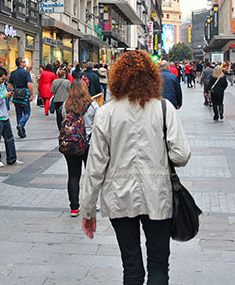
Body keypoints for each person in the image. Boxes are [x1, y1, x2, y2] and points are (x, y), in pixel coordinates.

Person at [79, 50, 191, 284]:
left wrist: (88, 209)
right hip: (157, 193)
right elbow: (181, 155)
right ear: (151, 76)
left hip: (119, 196)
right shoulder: (164, 108)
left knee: (131, 267)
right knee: (159, 265)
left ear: (116, 77)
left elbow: (95, 166)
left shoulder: (106, 113)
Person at [61, 80, 99, 217]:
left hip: (70, 144)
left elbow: (62, 123)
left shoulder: (66, 105)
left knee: (73, 175)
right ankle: (91, 203)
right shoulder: (92, 105)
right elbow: (98, 125)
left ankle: (74, 207)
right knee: (90, 175)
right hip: (88, 144)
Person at [8, 57, 34, 139]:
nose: (25, 63)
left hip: (16, 95)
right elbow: (29, 84)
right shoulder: (26, 73)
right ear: (20, 63)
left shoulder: (13, 73)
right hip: (24, 94)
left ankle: (21, 131)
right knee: (27, 112)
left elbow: (9, 85)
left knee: (18, 113)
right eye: (23, 61)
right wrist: (31, 94)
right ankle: (21, 125)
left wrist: (14, 90)